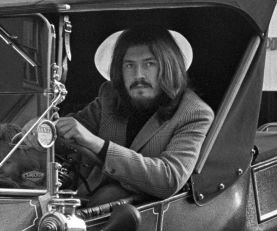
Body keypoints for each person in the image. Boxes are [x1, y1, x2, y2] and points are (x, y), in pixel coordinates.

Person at [55, 25, 214, 204]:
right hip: (82, 201)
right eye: (129, 65)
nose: (139, 75)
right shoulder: (110, 96)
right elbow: (68, 131)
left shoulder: (194, 113)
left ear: (169, 66)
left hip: (143, 220)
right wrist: (42, 129)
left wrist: (97, 144)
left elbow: (169, 179)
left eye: (149, 64)